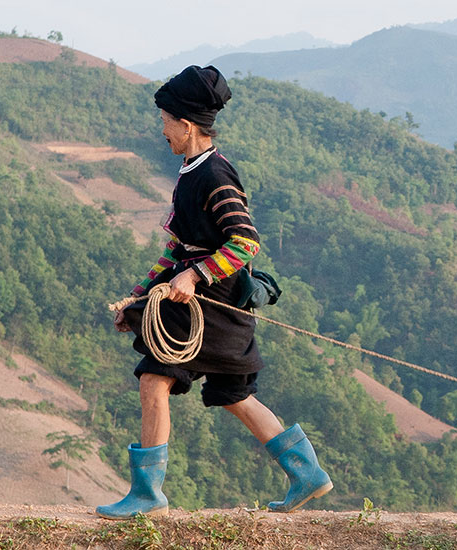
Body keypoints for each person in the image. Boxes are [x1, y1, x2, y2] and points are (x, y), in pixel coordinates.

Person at [98, 65, 332, 519]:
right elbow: (177, 248)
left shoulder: (215, 176)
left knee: (153, 378)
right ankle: (306, 473)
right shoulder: (192, 171)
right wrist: (140, 296)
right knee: (233, 393)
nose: (162, 131)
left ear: (186, 126)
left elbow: (244, 242)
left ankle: (148, 494)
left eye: (165, 122)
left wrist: (195, 277)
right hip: (209, 300)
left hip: (211, 303)